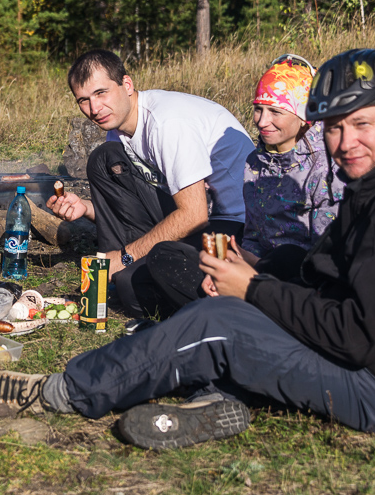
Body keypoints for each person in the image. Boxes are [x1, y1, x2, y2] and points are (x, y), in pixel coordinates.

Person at [0, 49, 375, 451]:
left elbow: (356, 337)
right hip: (366, 353)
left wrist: (252, 290)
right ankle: (217, 398)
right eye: (333, 126)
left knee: (217, 323)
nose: (345, 142)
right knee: (247, 284)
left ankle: (63, 391)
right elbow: (325, 271)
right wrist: (261, 270)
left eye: (361, 124)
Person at [46, 49, 254, 317]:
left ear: (127, 84)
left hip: (233, 225)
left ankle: (233, 304)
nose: (94, 109)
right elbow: (133, 207)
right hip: (197, 214)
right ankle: (110, 276)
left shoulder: (166, 123)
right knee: (103, 160)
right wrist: (86, 208)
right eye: (83, 100)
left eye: (101, 93)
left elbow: (194, 215)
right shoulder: (118, 131)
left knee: (133, 286)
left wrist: (124, 257)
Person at [145, 54, 344, 317]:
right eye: (258, 109)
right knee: (164, 255)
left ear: (304, 115)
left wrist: (253, 267)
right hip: (258, 271)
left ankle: (231, 314)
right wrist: (234, 261)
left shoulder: (328, 166)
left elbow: (325, 255)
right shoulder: (255, 162)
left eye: (275, 112)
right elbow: (253, 236)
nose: (261, 121)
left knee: (287, 257)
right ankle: (232, 311)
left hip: (303, 281)